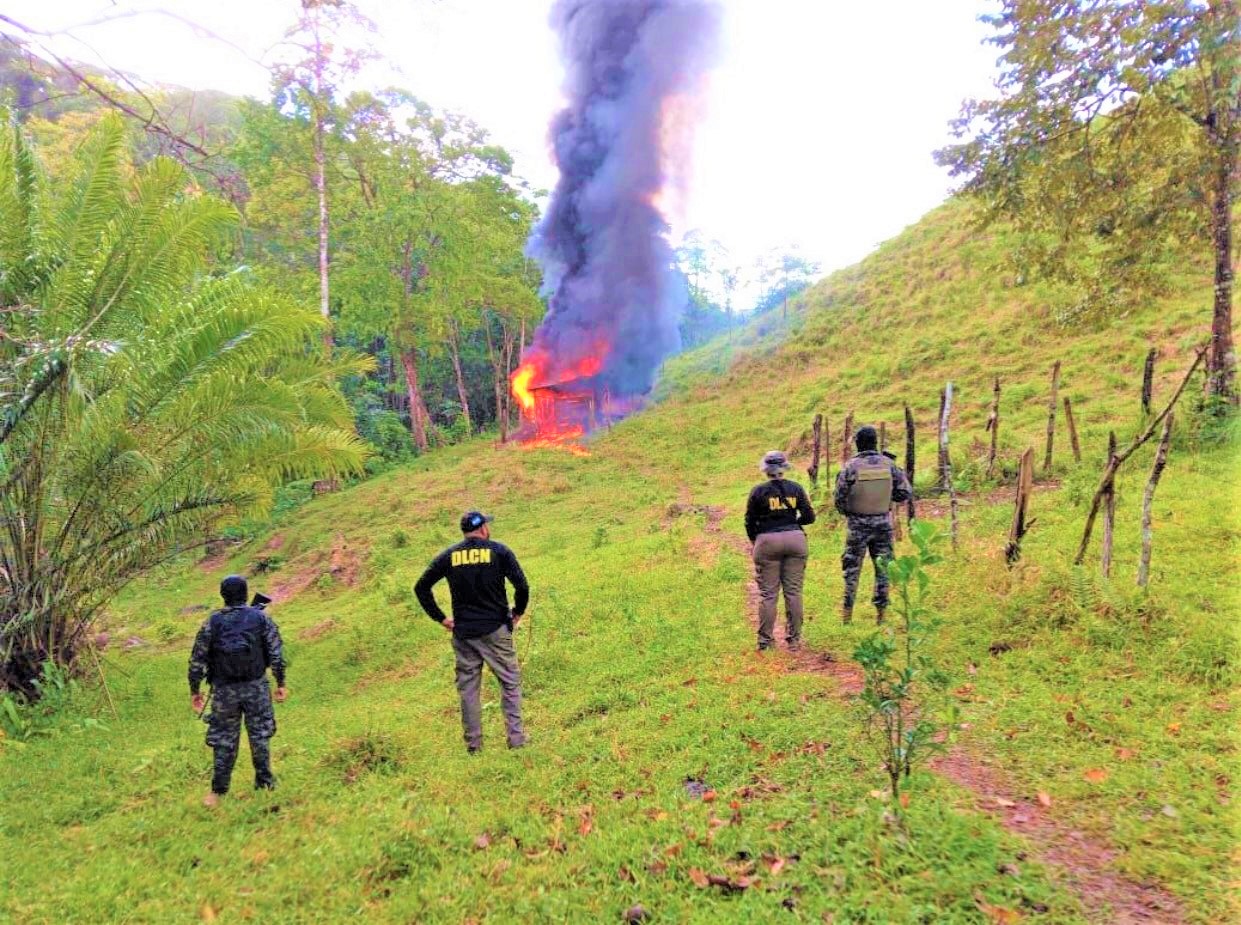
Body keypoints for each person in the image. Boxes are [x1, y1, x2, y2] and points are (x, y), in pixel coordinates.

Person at [414, 511, 530, 753]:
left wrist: (442, 619)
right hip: (496, 629)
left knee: (468, 689)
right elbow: (522, 585)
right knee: (509, 682)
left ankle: (474, 746)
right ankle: (516, 740)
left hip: (464, 633)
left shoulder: (449, 556)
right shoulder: (499, 552)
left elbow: (421, 587)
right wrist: (517, 612)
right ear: (483, 528)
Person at [188, 574, 287, 807]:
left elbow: (196, 661)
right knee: (260, 736)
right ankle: (264, 782)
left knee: (224, 740)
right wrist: (281, 683)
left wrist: (195, 690)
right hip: (256, 686)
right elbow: (276, 656)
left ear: (223, 596)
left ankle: (218, 792)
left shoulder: (212, 622)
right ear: (245, 593)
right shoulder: (261, 619)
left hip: (224, 691)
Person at [834, 425, 912, 624]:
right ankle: (881, 616)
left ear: (858, 444)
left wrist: (850, 512)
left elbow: (839, 499)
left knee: (851, 569)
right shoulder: (889, 465)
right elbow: (905, 493)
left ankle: (847, 615)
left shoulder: (850, 467)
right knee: (884, 569)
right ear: (875, 442)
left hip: (857, 525)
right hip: (883, 524)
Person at [744, 450, 816, 651]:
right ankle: (794, 640)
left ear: (765, 470)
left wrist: (756, 540)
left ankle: (765, 641)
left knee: (768, 594)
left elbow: (749, 522)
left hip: (767, 542)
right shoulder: (796, 488)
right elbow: (810, 517)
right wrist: (793, 522)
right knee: (794, 592)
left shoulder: (758, 492)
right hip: (796, 540)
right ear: (784, 468)